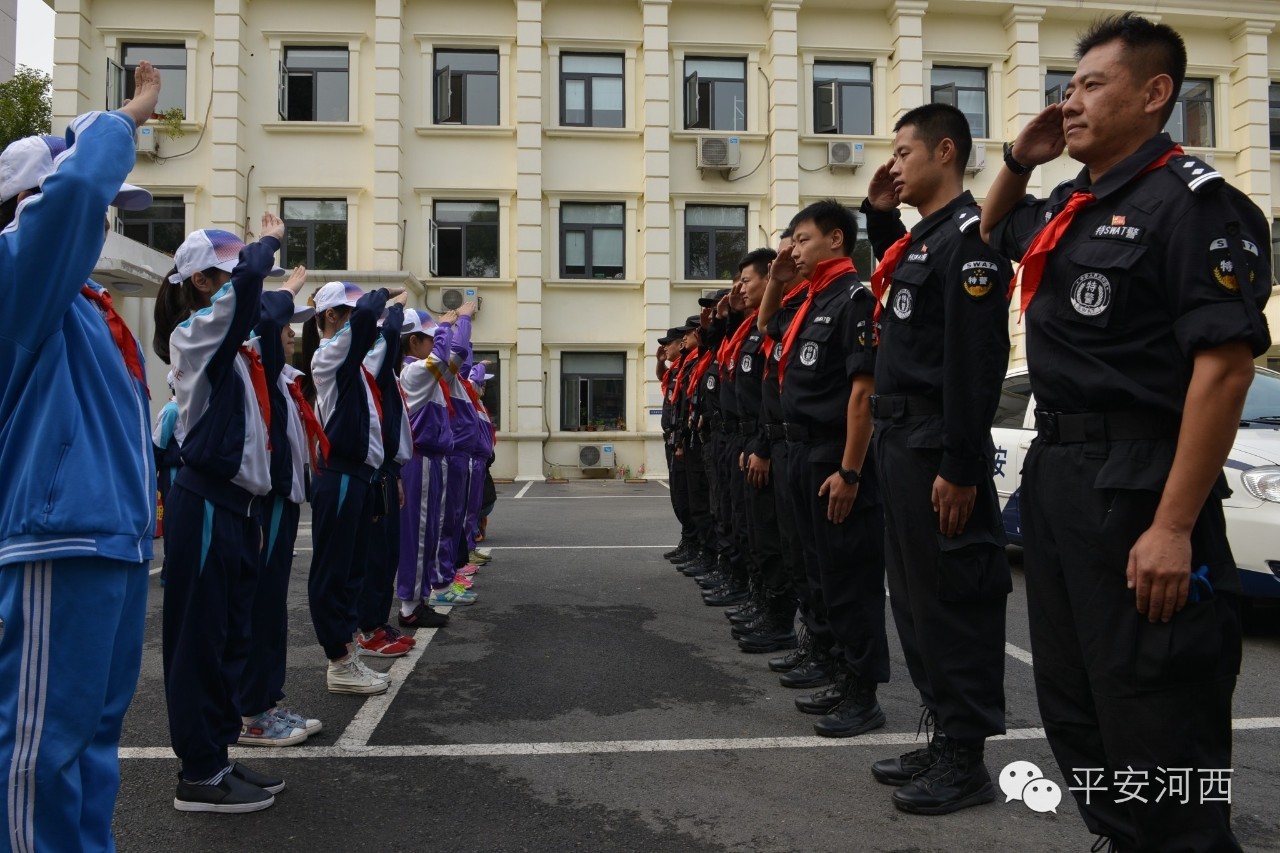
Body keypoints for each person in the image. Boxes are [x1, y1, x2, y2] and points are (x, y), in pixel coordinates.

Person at [980, 13, 1270, 852]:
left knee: (1157, 708)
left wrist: (1173, 526)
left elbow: (1225, 371)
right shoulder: (1073, 205)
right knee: (1076, 703)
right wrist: (1019, 159)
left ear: (1154, 93)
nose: (1068, 103)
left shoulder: (1194, 204)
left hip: (1139, 481)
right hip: (1060, 476)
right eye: (1065, 88)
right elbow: (993, 231)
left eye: (1090, 86)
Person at [0, 60, 160, 849]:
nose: (102, 221)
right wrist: (123, 118)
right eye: (96, 205)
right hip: (55, 541)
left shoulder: (86, 306)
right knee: (39, 753)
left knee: (94, 742)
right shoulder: (16, 276)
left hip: (109, 545)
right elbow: (65, 202)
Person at [861, 103, 1013, 815]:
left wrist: (960, 464)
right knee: (915, 601)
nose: (892, 164)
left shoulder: (973, 237)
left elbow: (976, 364)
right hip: (900, 442)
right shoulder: (926, 239)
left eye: (903, 152)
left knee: (953, 600)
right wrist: (878, 215)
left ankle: (966, 756)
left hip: (934, 445)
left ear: (945, 151)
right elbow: (903, 290)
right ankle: (944, 729)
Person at [156, 217, 292, 812]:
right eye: (221, 273)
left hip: (236, 507)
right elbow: (252, 287)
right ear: (198, 283)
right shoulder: (194, 334)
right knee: (200, 641)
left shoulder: (228, 343)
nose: (233, 280)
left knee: (230, 637)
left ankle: (217, 754)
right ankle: (199, 772)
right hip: (208, 500)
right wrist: (269, 245)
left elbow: (262, 308)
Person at [763, 200, 889, 738]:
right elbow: (767, 326)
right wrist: (776, 280)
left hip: (833, 457)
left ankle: (864, 693)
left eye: (803, 239)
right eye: (792, 241)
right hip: (801, 454)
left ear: (836, 239)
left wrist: (851, 471)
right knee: (817, 571)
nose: (794, 250)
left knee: (849, 578)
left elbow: (863, 394)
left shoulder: (855, 300)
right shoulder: (812, 299)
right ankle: (838, 670)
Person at [237, 264, 324, 746]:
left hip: (283, 505)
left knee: (272, 609)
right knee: (260, 608)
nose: (291, 334)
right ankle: (252, 711)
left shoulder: (286, 379)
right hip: (266, 504)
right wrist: (285, 289)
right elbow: (269, 325)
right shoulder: (259, 370)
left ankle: (266, 701)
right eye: (286, 326)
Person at [305, 280, 399, 695]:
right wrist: (384, 293)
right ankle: (338, 660)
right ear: (331, 316)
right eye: (350, 312)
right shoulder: (328, 353)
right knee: (334, 572)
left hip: (358, 475)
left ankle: (347, 654)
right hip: (340, 473)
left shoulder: (353, 361)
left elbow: (377, 335)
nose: (365, 323)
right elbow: (365, 320)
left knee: (352, 570)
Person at [354, 299, 418, 658]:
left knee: (388, 554)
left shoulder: (389, 375)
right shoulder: (368, 366)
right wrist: (394, 307)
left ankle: (378, 623)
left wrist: (397, 474)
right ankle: (368, 628)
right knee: (374, 556)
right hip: (376, 470)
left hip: (390, 470)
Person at [396, 308, 457, 629]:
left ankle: (418, 599)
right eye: (431, 339)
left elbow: (451, 360)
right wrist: (447, 325)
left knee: (429, 531)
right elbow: (442, 358)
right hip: (418, 460)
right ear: (414, 341)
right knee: (418, 534)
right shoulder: (413, 372)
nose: (436, 344)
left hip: (430, 460)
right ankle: (409, 606)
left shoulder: (423, 373)